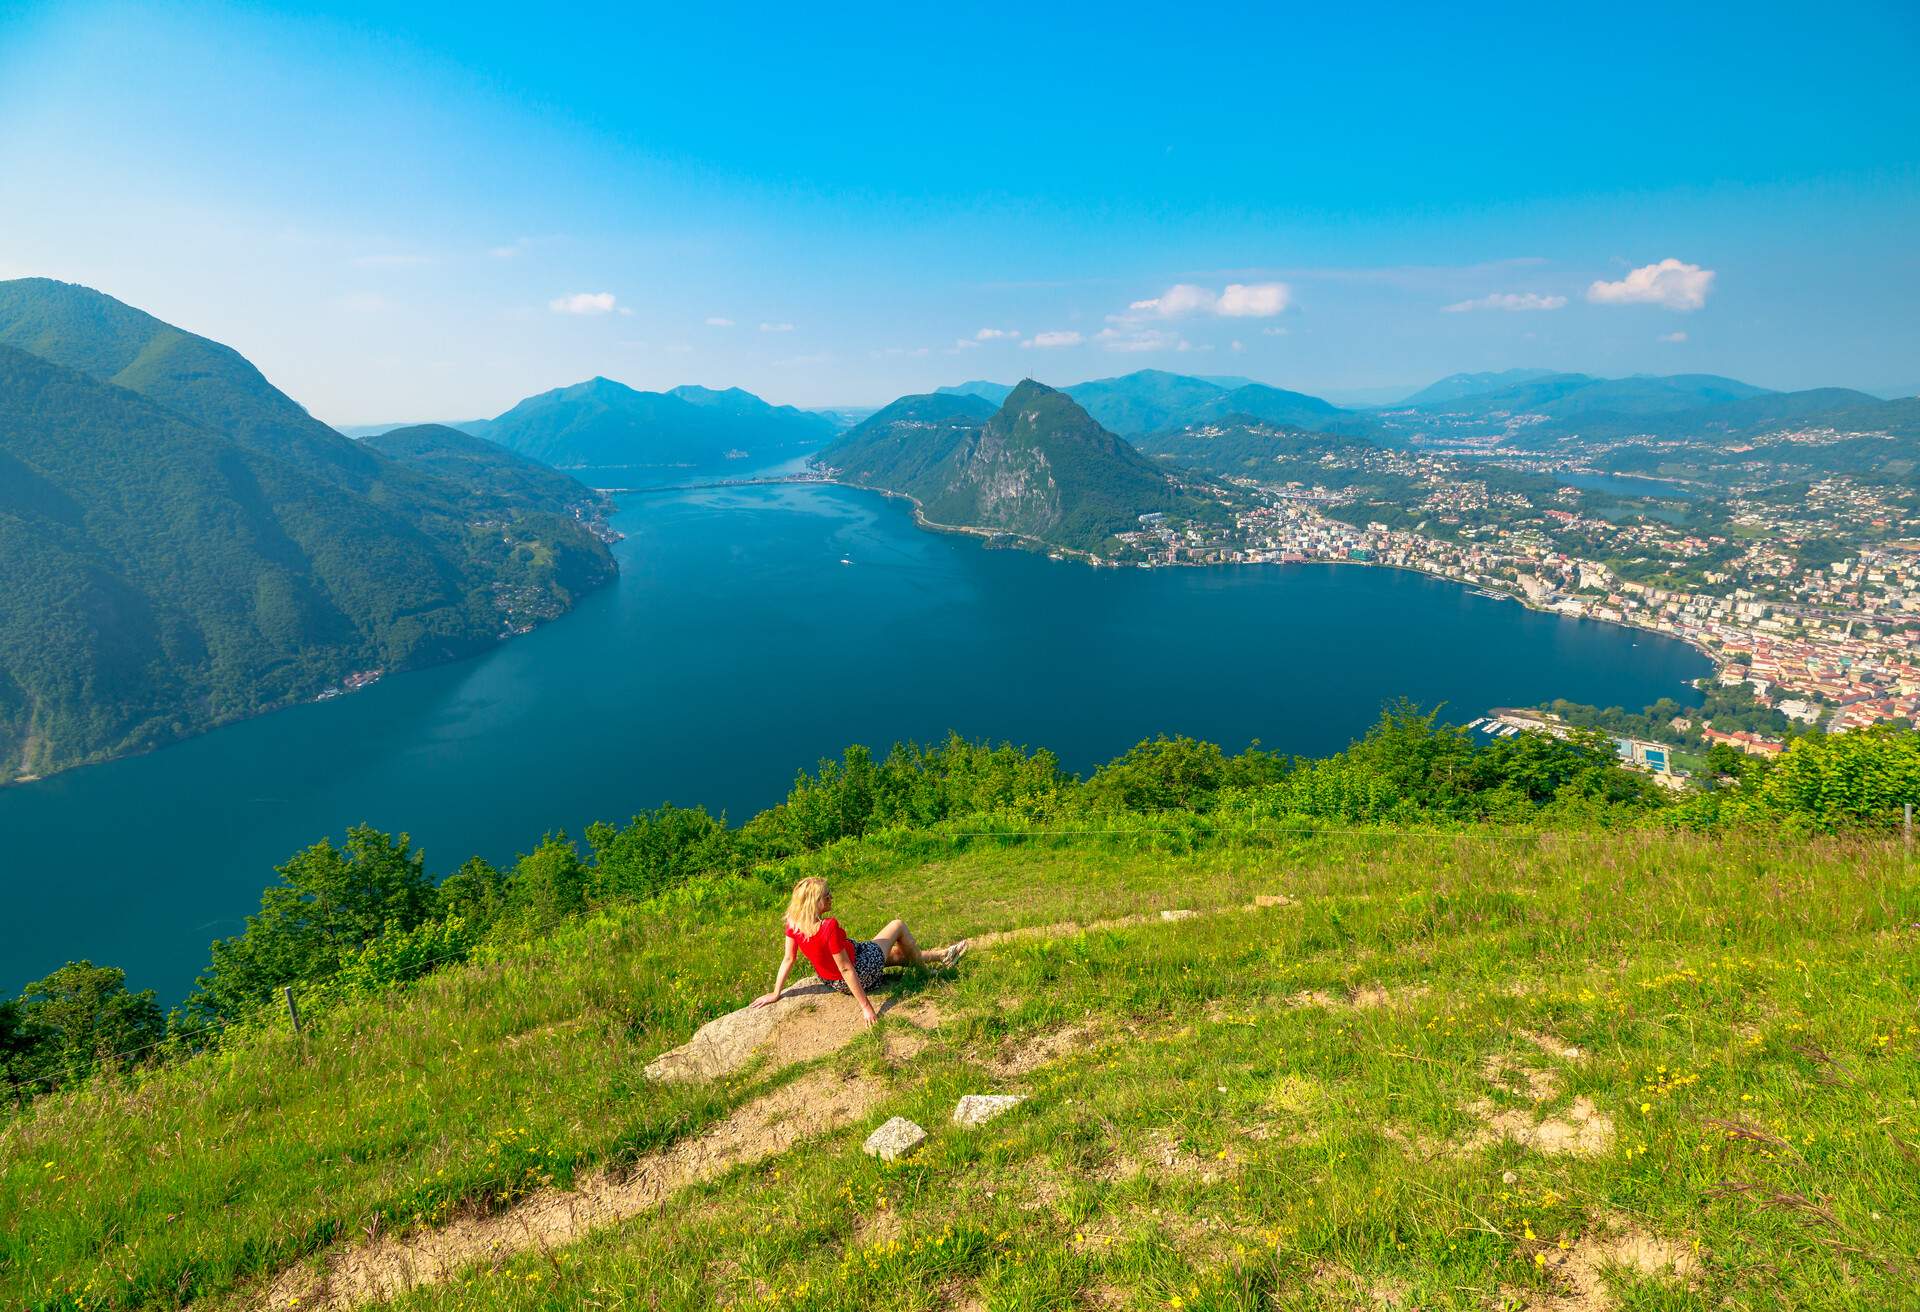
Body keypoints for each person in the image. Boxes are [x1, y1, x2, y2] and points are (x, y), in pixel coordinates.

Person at [751, 876, 966, 1026]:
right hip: (860, 970)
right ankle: (927, 973)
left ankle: (942, 955)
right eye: (826, 896)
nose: (831, 897)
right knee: (897, 925)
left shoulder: (793, 923)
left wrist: (776, 992)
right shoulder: (828, 927)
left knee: (897, 955)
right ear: (814, 903)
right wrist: (866, 1007)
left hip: (834, 980)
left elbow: (789, 958)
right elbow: (846, 969)